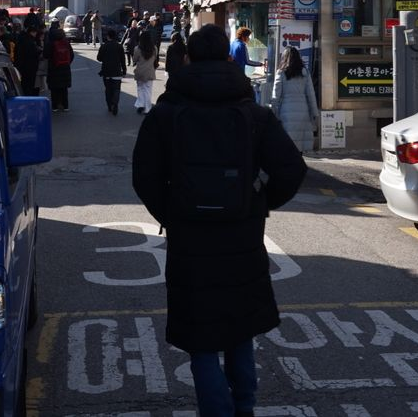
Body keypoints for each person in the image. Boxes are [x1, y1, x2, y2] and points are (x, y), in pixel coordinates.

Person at [131, 25, 307, 416]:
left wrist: (172, 212)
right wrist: (257, 204)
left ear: (188, 59)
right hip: (241, 238)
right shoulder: (253, 114)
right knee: (239, 331)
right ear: (229, 60)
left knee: (202, 341)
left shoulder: (167, 113)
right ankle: (244, 407)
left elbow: (144, 177)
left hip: (190, 242)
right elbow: (292, 170)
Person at [271, 46, 319, 153]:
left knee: (288, 143)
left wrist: (273, 111)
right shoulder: (305, 72)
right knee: (300, 145)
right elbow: (311, 94)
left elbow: (276, 94)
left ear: (284, 57)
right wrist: (315, 113)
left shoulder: (281, 72)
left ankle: (288, 167)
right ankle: (298, 166)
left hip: (286, 113)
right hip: (303, 112)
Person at [43, 21, 74, 112]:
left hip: (53, 68)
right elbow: (71, 55)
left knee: (54, 89)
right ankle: (65, 106)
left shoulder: (51, 44)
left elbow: (45, 55)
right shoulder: (66, 43)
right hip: (65, 68)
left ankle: (55, 106)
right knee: (64, 89)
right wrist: (67, 63)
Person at [96, 28, 126, 115]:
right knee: (116, 89)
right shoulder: (119, 46)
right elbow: (122, 60)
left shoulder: (104, 46)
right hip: (117, 71)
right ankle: (115, 103)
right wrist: (124, 70)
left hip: (106, 72)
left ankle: (110, 105)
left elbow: (99, 58)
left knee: (108, 89)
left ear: (108, 36)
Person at [14, 20, 43, 96]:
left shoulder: (21, 39)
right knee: (29, 84)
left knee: (24, 83)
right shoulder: (30, 41)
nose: (35, 34)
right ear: (31, 32)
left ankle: (25, 95)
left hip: (22, 65)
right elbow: (33, 52)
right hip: (30, 66)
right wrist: (39, 50)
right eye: (35, 32)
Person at [131, 31, 158, 114]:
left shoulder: (137, 49)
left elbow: (134, 60)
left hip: (140, 72)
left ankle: (141, 104)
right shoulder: (154, 48)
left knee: (140, 89)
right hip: (150, 72)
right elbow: (155, 58)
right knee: (148, 90)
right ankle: (147, 108)